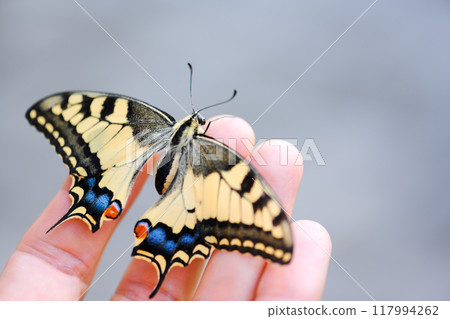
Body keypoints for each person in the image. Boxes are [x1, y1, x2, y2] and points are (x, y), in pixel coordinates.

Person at [0, 117, 331, 300]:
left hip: (168, 209)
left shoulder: (139, 119)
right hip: (179, 216)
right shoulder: (221, 162)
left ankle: (110, 208)